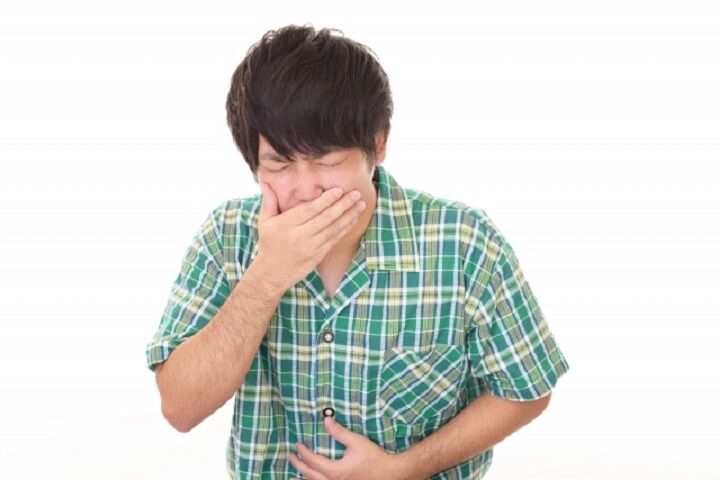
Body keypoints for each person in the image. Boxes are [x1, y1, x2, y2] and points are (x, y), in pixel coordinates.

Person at [145, 24, 570, 480]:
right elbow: (180, 407)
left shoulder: (465, 241)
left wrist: (404, 468)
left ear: (378, 144)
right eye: (279, 163)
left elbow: (526, 388)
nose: (305, 189)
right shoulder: (227, 235)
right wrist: (266, 276)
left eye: (327, 161)